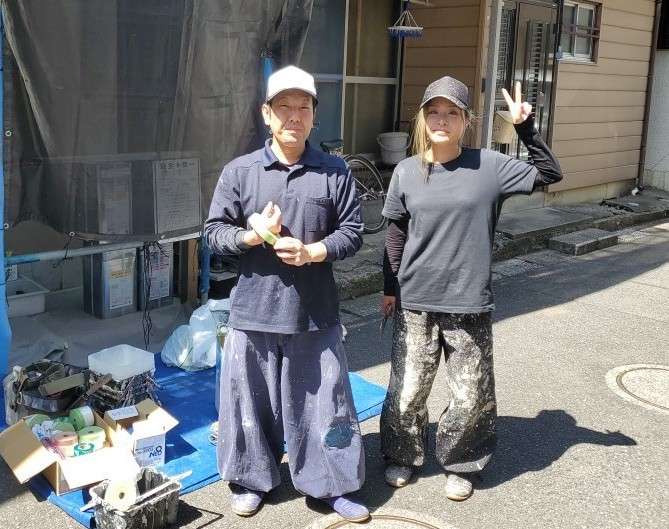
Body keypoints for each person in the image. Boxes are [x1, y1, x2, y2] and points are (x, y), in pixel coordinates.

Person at [379, 76, 562, 500]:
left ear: (466, 121)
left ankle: (462, 462)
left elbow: (550, 172)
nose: (442, 119)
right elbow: (395, 234)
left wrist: (525, 128)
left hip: (468, 300)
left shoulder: (490, 166)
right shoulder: (406, 170)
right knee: (407, 389)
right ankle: (402, 454)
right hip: (415, 300)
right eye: (434, 111)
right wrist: (389, 289)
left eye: (452, 113)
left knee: (469, 393)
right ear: (423, 119)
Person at [204, 65, 369, 522]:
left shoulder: (334, 171)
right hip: (253, 311)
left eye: (303, 107)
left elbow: (354, 232)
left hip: (314, 313)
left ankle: (330, 484)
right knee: (247, 405)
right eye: (284, 107)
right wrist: (252, 237)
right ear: (267, 114)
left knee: (324, 405)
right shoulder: (241, 172)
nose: (294, 116)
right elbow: (213, 233)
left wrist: (316, 250)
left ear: (315, 115)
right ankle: (250, 479)